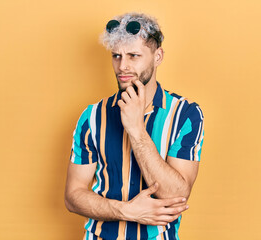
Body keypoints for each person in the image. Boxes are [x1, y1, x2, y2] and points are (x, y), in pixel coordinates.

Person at [64, 12, 204, 240]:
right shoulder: (92, 116)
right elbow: (72, 196)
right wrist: (127, 211)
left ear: (157, 56)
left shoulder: (186, 115)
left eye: (134, 56)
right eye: (116, 56)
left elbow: (177, 195)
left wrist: (137, 130)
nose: (123, 66)